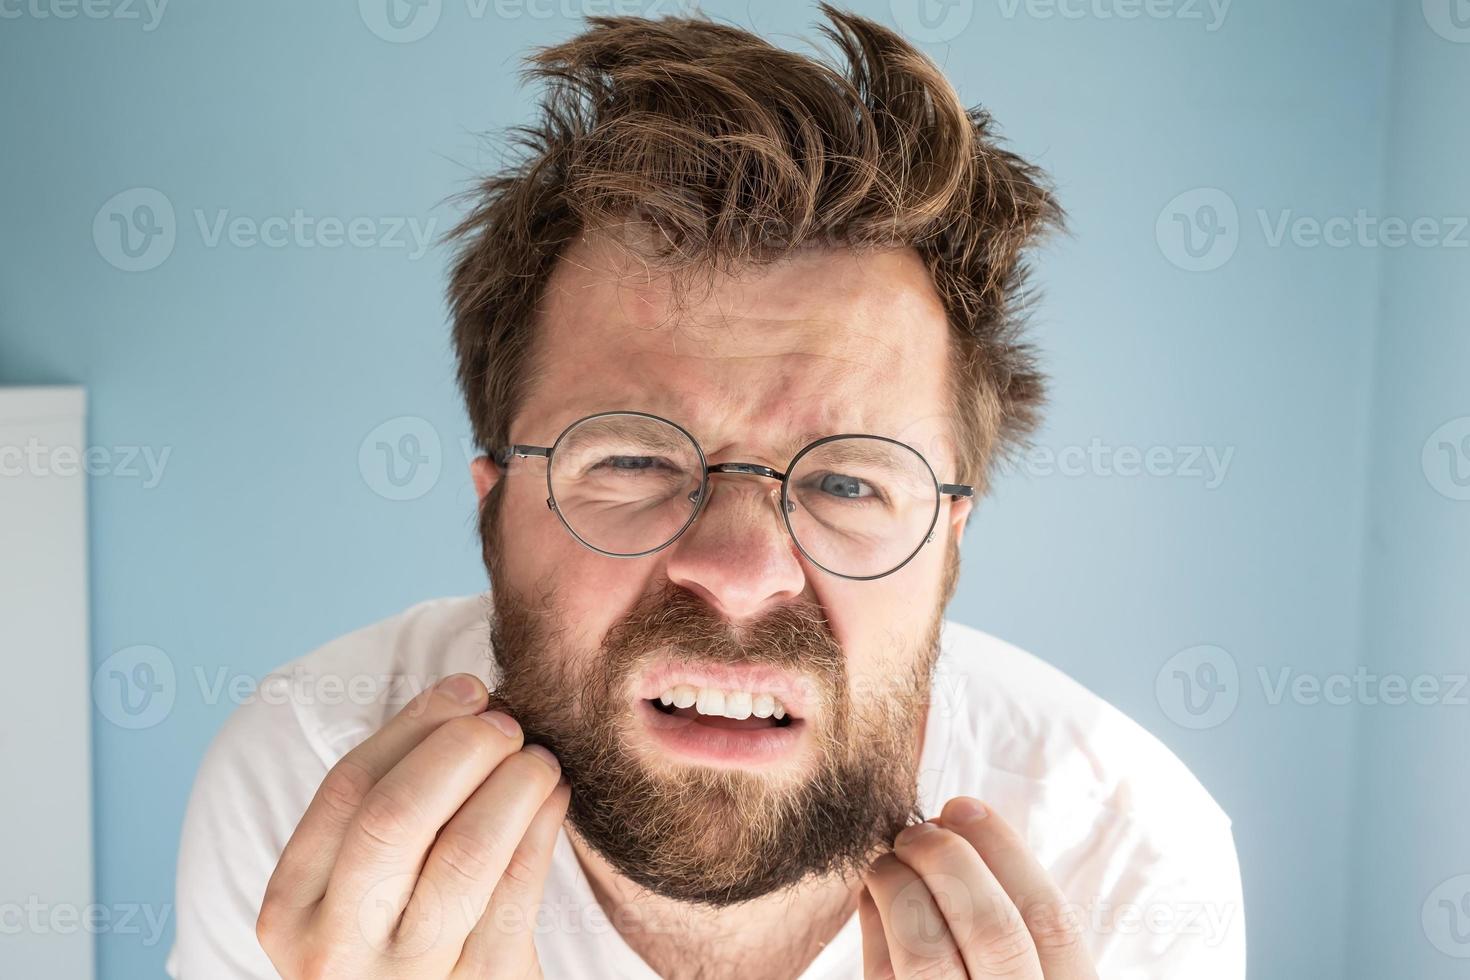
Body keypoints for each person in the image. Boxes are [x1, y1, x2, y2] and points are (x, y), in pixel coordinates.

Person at [169, 6, 1245, 978]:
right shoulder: (310, 777)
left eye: (846, 480)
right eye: (633, 461)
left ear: (949, 542)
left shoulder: (1124, 851)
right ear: (494, 504)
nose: (739, 572)